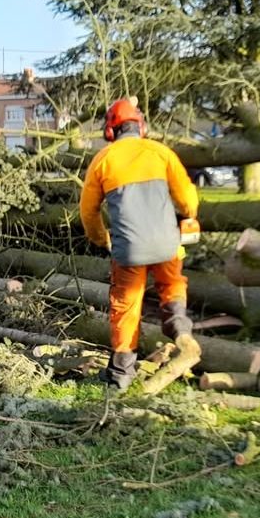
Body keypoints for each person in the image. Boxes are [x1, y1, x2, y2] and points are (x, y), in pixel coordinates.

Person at [79, 97, 199, 391]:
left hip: (129, 249)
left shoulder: (104, 159)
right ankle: (179, 326)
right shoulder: (160, 152)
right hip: (168, 244)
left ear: (111, 131)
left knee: (126, 307)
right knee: (172, 284)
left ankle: (121, 376)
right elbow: (187, 198)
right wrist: (188, 216)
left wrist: (100, 238)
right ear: (140, 126)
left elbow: (88, 211)